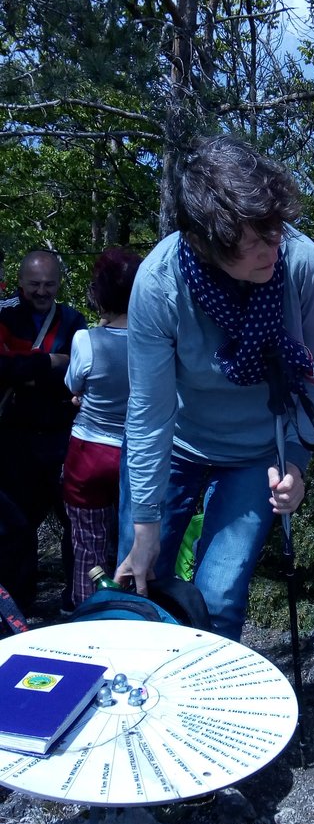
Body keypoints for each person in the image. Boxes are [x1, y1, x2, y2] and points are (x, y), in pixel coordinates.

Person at [115, 135, 314, 641]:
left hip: (257, 451)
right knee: (142, 582)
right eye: (250, 241)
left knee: (219, 597)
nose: (270, 248)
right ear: (203, 243)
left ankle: (208, 689)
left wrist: (296, 461)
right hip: (174, 442)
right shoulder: (159, 283)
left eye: (273, 230)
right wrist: (145, 525)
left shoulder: (301, 263)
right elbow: (148, 413)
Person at [0, 250, 86, 610]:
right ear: (20, 282)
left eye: (49, 284)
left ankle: (76, 600)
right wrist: (47, 363)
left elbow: (78, 372)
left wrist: (25, 371)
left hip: (61, 436)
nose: (41, 291)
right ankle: (17, 606)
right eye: (34, 283)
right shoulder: (5, 315)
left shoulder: (72, 320)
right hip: (13, 438)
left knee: (74, 523)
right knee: (15, 526)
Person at [62, 249, 142, 607]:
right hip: (137, 453)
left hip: (89, 454)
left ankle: (88, 615)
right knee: (133, 547)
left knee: (88, 550)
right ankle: (132, 613)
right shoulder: (154, 341)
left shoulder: (86, 340)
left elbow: (73, 385)